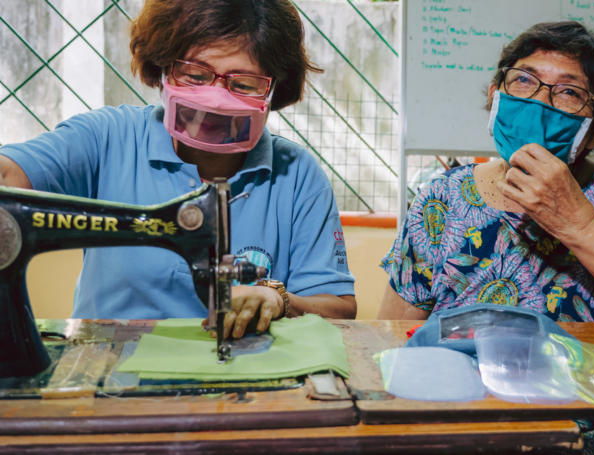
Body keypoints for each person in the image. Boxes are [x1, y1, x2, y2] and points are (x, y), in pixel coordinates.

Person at [378, 21, 594, 455]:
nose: (537, 101)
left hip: (587, 431)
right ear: (496, 93)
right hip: (458, 426)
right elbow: (389, 337)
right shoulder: (441, 197)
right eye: (524, 80)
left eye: (569, 92)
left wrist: (578, 223)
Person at [0, 0, 356, 339]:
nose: (215, 98)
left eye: (243, 84)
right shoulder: (105, 138)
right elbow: (8, 177)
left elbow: (338, 308)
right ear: (164, 66)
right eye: (194, 73)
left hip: (244, 379)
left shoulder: (297, 175)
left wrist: (282, 301)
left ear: (275, 90)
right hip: (109, 372)